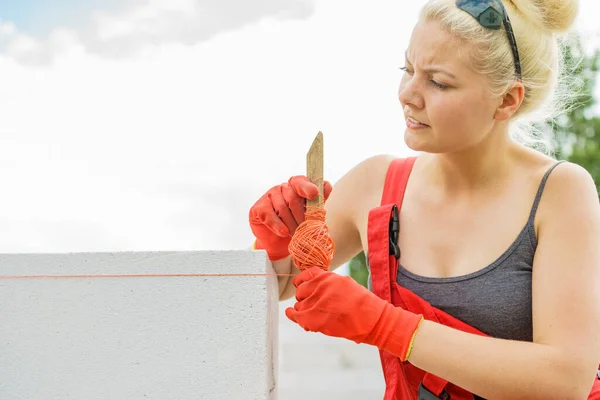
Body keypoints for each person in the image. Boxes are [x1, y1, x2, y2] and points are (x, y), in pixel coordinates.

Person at [248, 0, 600, 398]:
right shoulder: (374, 185)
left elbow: (565, 380)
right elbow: (281, 284)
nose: (408, 95)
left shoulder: (559, 192)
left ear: (507, 100)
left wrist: (385, 325)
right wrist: (273, 242)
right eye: (408, 70)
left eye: (439, 83)